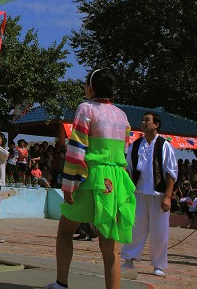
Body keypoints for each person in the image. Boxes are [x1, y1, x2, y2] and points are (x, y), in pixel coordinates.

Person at [44, 69, 135, 289]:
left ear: (90, 88)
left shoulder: (86, 108)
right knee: (109, 244)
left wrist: (68, 185)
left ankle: (61, 284)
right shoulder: (122, 115)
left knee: (65, 230)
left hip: (90, 176)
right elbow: (125, 149)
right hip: (116, 179)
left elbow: (76, 149)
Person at [121, 111, 178, 278]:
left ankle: (158, 265)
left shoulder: (164, 145)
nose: (143, 122)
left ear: (156, 124)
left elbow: (170, 172)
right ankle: (129, 259)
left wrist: (168, 196)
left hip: (158, 194)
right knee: (135, 227)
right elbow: (129, 170)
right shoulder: (135, 145)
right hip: (138, 193)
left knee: (160, 231)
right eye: (142, 120)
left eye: (147, 120)